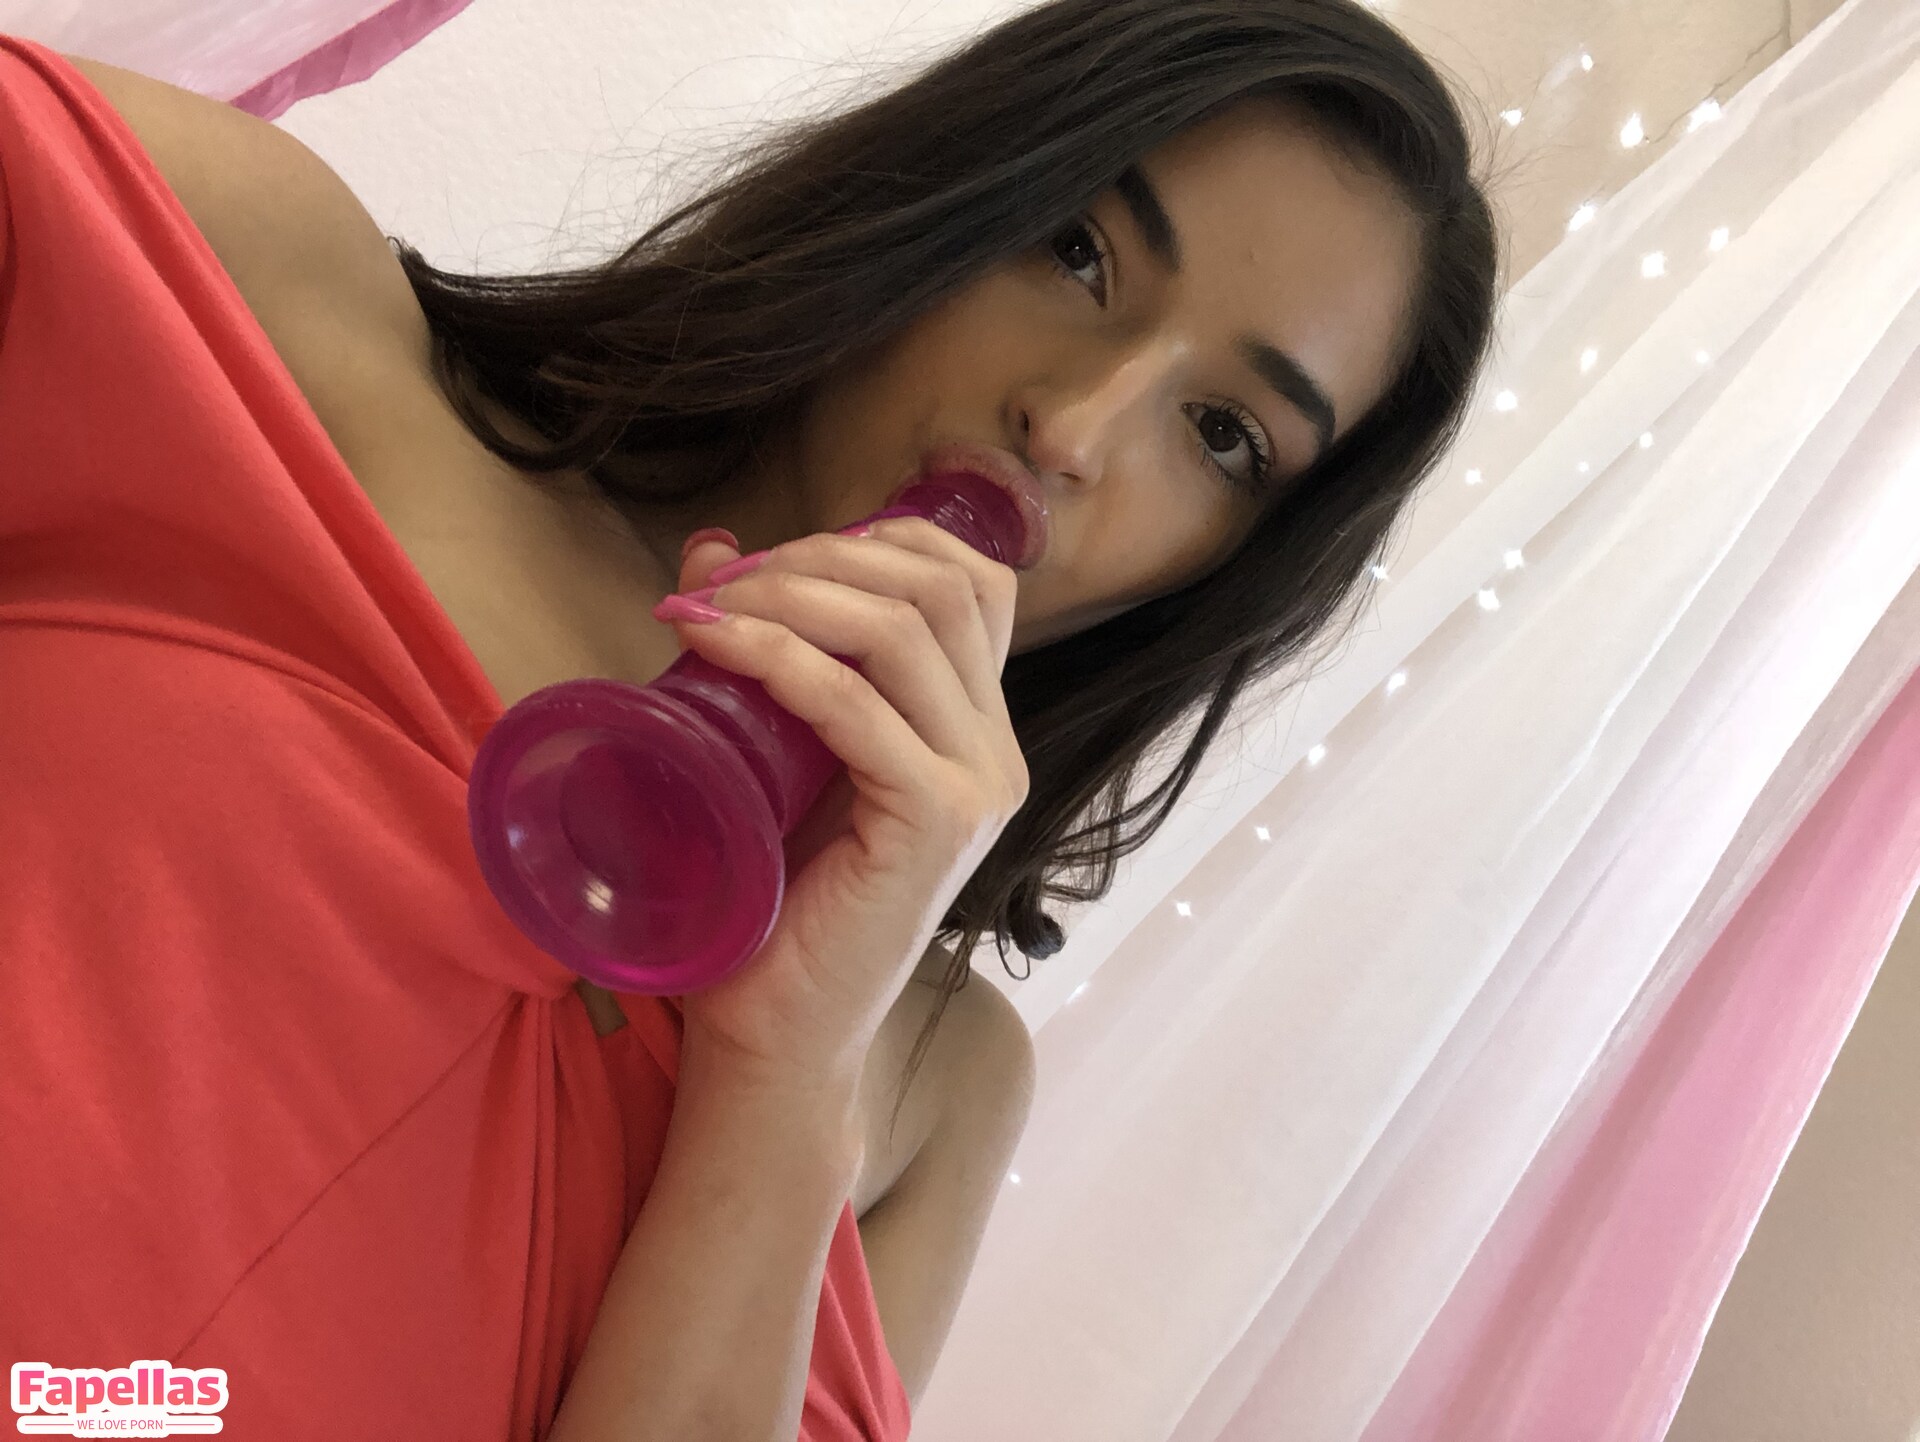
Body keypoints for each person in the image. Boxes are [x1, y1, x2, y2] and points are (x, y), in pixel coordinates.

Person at [0, 0, 1499, 1437]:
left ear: (1228, 570)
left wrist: (781, 1074)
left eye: (1224, 435)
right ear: (960, 175)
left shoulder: (937, 1075)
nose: (1073, 427)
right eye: (1077, 249)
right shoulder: (285, 309)